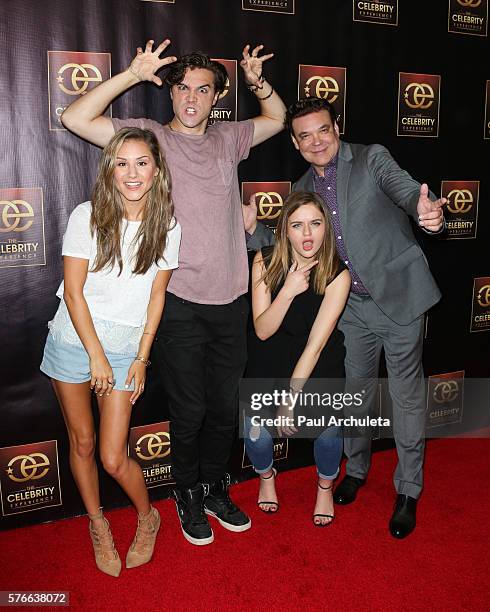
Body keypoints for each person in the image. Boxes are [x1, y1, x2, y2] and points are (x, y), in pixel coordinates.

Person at [61, 39, 286, 545]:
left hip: (231, 301)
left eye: (202, 90)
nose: (190, 97)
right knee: (189, 411)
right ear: (172, 93)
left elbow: (277, 116)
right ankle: (186, 492)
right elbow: (77, 118)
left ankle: (212, 485)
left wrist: (257, 82)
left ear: (217, 97)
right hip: (178, 303)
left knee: (225, 409)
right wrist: (133, 75)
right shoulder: (151, 140)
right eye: (182, 87)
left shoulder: (230, 137)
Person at [247, 97, 446, 539]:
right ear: (296, 144)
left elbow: (406, 190)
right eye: (305, 136)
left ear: (337, 126)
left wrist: (426, 213)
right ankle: (355, 470)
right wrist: (251, 229)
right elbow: (286, 236)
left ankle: (409, 489)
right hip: (349, 308)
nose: (316, 141)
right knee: (355, 395)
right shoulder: (302, 184)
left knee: (406, 396)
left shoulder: (373, 158)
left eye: (323, 130)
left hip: (400, 299)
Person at [40, 127, 181, 576]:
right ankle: (98, 524)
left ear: (156, 170)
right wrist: (95, 355)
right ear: (110, 170)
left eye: (142, 162)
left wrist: (140, 357)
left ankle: (148, 517)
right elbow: (75, 294)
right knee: (80, 442)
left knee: (113, 456)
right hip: (73, 340)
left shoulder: (168, 224)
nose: (132, 172)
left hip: (124, 349)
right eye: (122, 162)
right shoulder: (87, 215)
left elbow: (156, 297)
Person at [245, 191, 350, 525]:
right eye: (298, 225)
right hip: (270, 358)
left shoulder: (337, 275)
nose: (307, 234)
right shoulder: (264, 259)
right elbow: (262, 329)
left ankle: (324, 486)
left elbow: (314, 347)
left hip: (316, 363)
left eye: (315, 224)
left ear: (326, 228)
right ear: (284, 230)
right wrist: (288, 290)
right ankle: (266, 477)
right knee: (255, 433)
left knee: (329, 431)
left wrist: (291, 398)